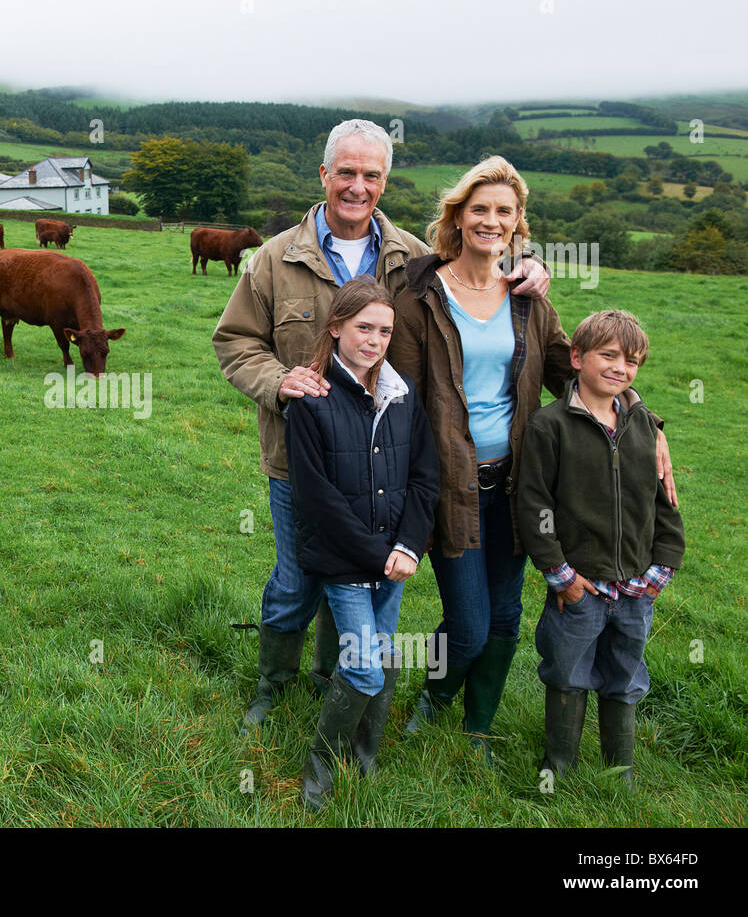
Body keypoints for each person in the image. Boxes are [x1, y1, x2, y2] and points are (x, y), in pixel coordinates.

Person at [213, 120, 550, 733]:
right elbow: (235, 343)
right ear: (324, 175)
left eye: (371, 175)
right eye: (346, 172)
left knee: (368, 581)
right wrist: (278, 381)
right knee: (297, 580)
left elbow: (481, 269)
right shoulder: (274, 258)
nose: (357, 186)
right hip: (300, 461)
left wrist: (526, 265)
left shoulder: (415, 262)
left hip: (386, 468)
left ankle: (335, 680)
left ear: (385, 182)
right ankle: (273, 683)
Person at [388, 156, 678, 763]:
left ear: (518, 223)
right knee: (467, 624)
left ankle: (477, 726)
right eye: (479, 210)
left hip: (520, 488)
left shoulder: (529, 301)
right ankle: (434, 701)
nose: (491, 222)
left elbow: (578, 374)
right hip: (450, 486)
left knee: (506, 617)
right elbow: (402, 398)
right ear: (458, 217)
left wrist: (647, 424)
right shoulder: (420, 297)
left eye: (504, 212)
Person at [285, 279, 439, 811]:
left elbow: (424, 477)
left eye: (385, 331)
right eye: (363, 328)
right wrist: (378, 554)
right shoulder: (312, 400)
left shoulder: (402, 394)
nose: (374, 340)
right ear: (336, 328)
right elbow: (316, 497)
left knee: (380, 649)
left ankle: (364, 754)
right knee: (363, 665)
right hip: (347, 562)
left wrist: (409, 546)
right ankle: (319, 768)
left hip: (395, 560)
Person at [517, 310, 684, 790]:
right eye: (608, 356)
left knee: (625, 674)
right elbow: (534, 506)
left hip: (637, 586)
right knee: (568, 671)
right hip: (579, 586)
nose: (620, 368)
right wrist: (560, 575)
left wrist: (663, 568)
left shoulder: (645, 428)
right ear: (576, 357)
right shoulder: (550, 426)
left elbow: (665, 504)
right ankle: (559, 764)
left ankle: (620, 771)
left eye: (631, 361)